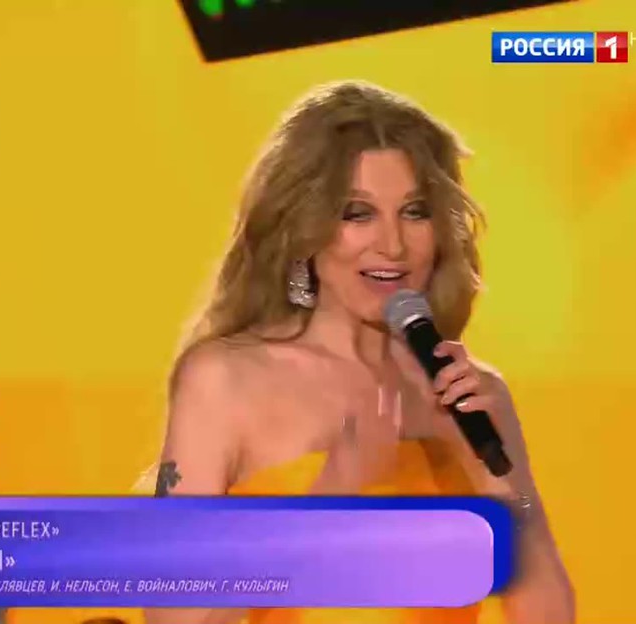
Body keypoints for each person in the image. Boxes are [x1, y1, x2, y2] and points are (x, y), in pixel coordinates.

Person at [148, 81, 575, 624]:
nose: (392, 245)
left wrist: (506, 487)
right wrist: (334, 491)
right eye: (357, 213)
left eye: (415, 211)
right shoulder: (223, 380)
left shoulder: (471, 394)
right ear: (303, 228)